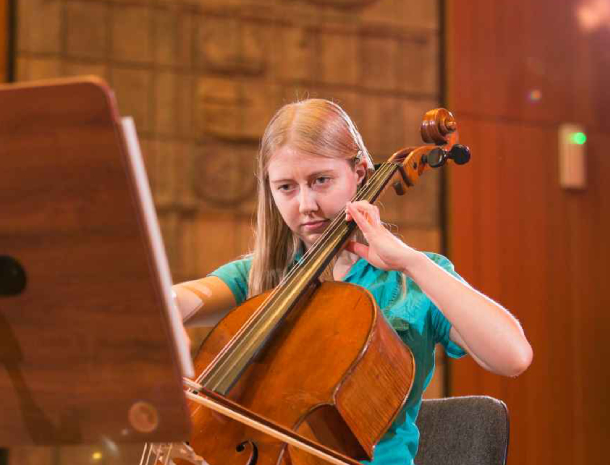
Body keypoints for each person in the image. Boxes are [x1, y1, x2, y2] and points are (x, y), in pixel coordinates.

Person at [173, 98, 532, 465]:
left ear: (360, 172)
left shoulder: (410, 284)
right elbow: (178, 300)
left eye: (321, 180)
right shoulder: (261, 277)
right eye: (286, 188)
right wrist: (165, 311)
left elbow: (513, 356)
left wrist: (411, 262)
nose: (306, 204)